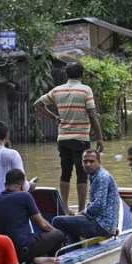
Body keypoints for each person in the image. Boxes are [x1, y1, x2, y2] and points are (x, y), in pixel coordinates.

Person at [34, 61, 104, 211]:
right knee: (82, 174)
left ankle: (64, 208)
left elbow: (38, 104)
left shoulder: (57, 90)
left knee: (65, 173)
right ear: (82, 75)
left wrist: (54, 117)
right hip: (81, 139)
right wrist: (99, 137)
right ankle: (80, 209)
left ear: (66, 75)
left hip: (63, 139)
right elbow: (92, 115)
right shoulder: (85, 90)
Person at [0, 169, 65, 264]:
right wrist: (56, 233)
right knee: (59, 234)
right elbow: (43, 225)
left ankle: (34, 259)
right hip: (24, 249)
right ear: (22, 185)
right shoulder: (24, 195)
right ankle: (52, 259)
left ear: (5, 184)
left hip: (5, 250)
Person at [52, 149, 119, 244]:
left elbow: (99, 205)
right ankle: (74, 248)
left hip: (102, 225)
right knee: (70, 221)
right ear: (81, 163)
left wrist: (82, 213)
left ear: (99, 162)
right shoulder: (97, 175)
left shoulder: (101, 177)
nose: (88, 164)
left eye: (91, 161)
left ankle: (66, 251)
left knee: (58, 221)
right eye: (85, 161)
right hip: (106, 223)